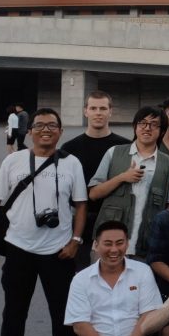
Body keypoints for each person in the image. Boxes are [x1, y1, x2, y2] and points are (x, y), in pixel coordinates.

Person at [0, 107, 87, 336]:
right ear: (30, 131)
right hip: (19, 249)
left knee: (63, 317)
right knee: (13, 316)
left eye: (53, 126)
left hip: (59, 252)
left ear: (61, 132)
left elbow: (81, 205)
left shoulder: (71, 163)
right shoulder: (13, 161)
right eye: (39, 125)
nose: (46, 130)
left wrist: (76, 240)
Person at [89, 106, 169, 258]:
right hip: (108, 242)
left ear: (162, 131)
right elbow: (93, 194)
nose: (147, 128)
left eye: (154, 124)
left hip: (147, 244)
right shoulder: (114, 153)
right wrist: (122, 177)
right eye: (142, 123)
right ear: (135, 127)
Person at [62, 91, 131, 269]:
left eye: (103, 108)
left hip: (116, 220)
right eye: (93, 108)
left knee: (116, 275)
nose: (98, 113)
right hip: (79, 221)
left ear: (110, 111)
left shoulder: (125, 147)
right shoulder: (69, 148)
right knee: (82, 274)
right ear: (86, 111)